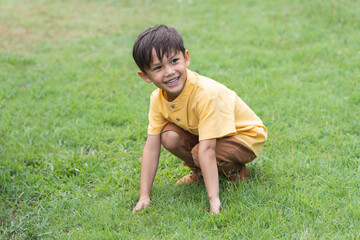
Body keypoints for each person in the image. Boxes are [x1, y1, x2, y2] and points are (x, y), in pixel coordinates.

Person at [131, 25, 267, 214]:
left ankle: (235, 171)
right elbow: (151, 147)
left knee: (200, 152)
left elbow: (207, 149)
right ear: (145, 76)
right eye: (158, 67)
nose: (169, 71)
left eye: (174, 61)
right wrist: (144, 196)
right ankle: (202, 173)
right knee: (168, 136)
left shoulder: (205, 94)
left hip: (245, 135)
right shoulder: (158, 98)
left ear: (186, 58)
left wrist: (214, 200)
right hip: (212, 136)